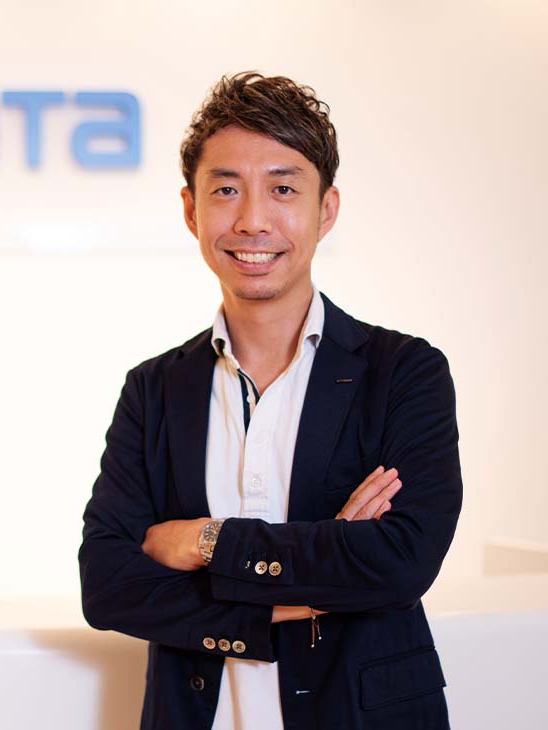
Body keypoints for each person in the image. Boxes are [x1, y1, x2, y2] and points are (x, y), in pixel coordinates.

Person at [77, 71, 462, 730]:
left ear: (326, 209)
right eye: (226, 189)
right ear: (191, 210)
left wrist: (205, 541)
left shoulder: (404, 373)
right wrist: (320, 578)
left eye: (283, 189)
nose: (253, 220)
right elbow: (108, 585)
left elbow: (402, 562)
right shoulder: (154, 389)